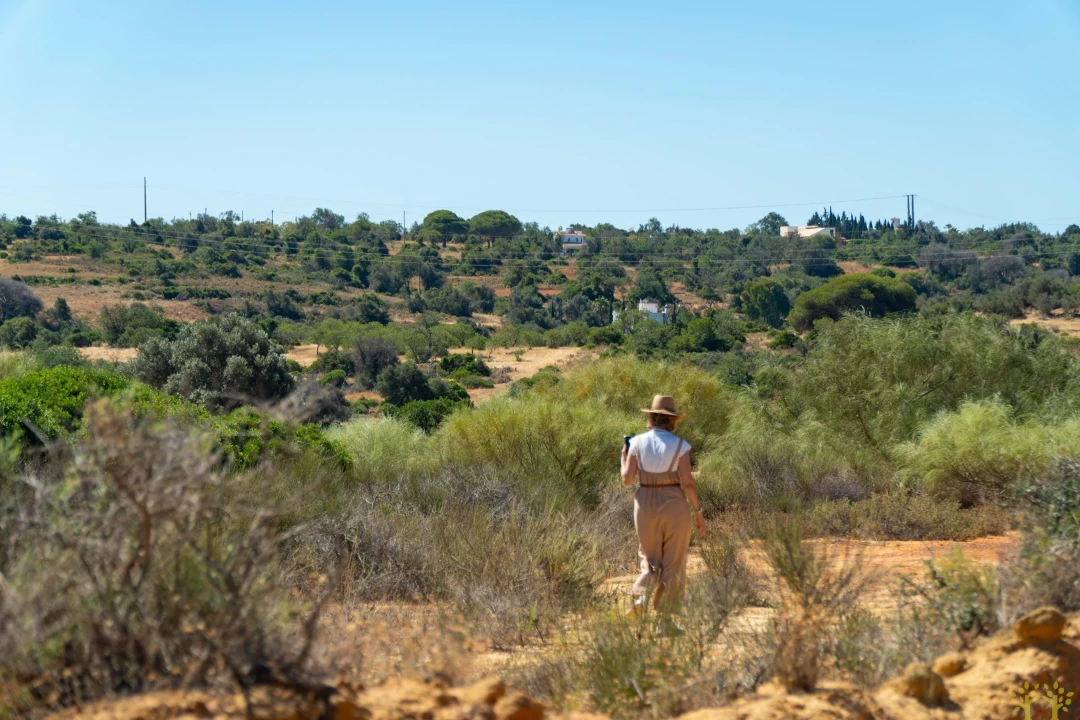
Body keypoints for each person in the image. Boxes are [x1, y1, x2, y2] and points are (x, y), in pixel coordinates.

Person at [620, 394, 706, 613]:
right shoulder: (681, 446)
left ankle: (640, 597)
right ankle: (665, 619)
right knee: (674, 561)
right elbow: (687, 483)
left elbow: (627, 479)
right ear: (672, 420)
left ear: (652, 417)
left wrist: (624, 454)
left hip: (645, 504)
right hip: (674, 504)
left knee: (648, 557)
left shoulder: (636, 443)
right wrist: (697, 511)